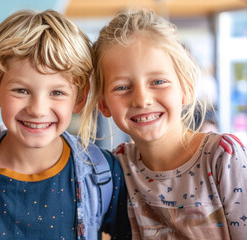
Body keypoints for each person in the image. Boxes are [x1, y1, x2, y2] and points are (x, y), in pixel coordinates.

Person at [0, 9, 130, 240]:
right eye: (21, 90)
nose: (37, 109)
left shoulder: (103, 174)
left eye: (56, 92)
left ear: (80, 98)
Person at [82, 9, 247, 239]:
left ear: (186, 88)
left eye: (158, 81)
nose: (141, 99)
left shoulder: (223, 157)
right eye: (122, 87)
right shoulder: (116, 168)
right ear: (104, 104)